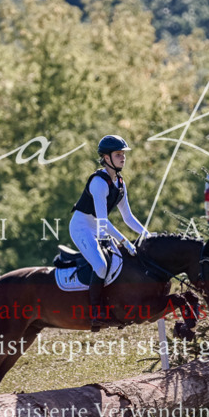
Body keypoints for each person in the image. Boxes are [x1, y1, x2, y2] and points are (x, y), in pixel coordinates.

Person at [70, 135, 150, 329]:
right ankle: (96, 313)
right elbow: (103, 223)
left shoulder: (120, 183)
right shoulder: (99, 183)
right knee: (101, 266)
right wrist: (125, 241)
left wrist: (148, 235)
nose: (123, 158)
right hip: (82, 227)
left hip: (98, 227)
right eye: (118, 154)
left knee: (120, 263)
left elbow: (128, 218)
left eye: (123, 154)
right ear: (106, 158)